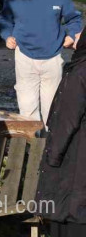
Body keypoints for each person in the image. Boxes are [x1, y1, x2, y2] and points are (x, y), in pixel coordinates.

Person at [0, 0, 82, 125]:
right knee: (27, 107)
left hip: (52, 58)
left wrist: (71, 35)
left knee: (51, 107)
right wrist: (7, 36)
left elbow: (74, 19)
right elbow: (4, 20)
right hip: (24, 56)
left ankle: (48, 146)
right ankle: (31, 146)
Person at [36, 32, 86, 236]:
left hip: (76, 160)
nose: (77, 34)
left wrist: (52, 158)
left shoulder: (80, 72)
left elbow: (66, 119)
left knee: (72, 215)